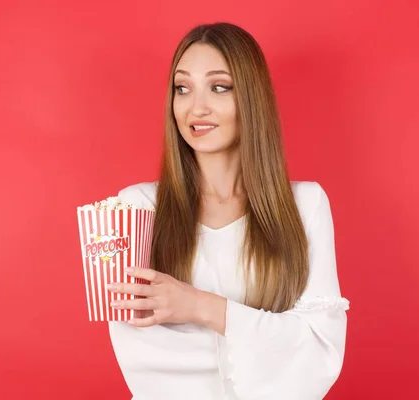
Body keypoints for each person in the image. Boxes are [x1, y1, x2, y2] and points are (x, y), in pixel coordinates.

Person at [106, 22, 350, 400]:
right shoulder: (136, 208)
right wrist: (264, 334)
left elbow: (319, 354)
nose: (196, 107)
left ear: (251, 99)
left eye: (219, 87)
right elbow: (141, 358)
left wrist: (200, 307)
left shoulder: (306, 206)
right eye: (182, 88)